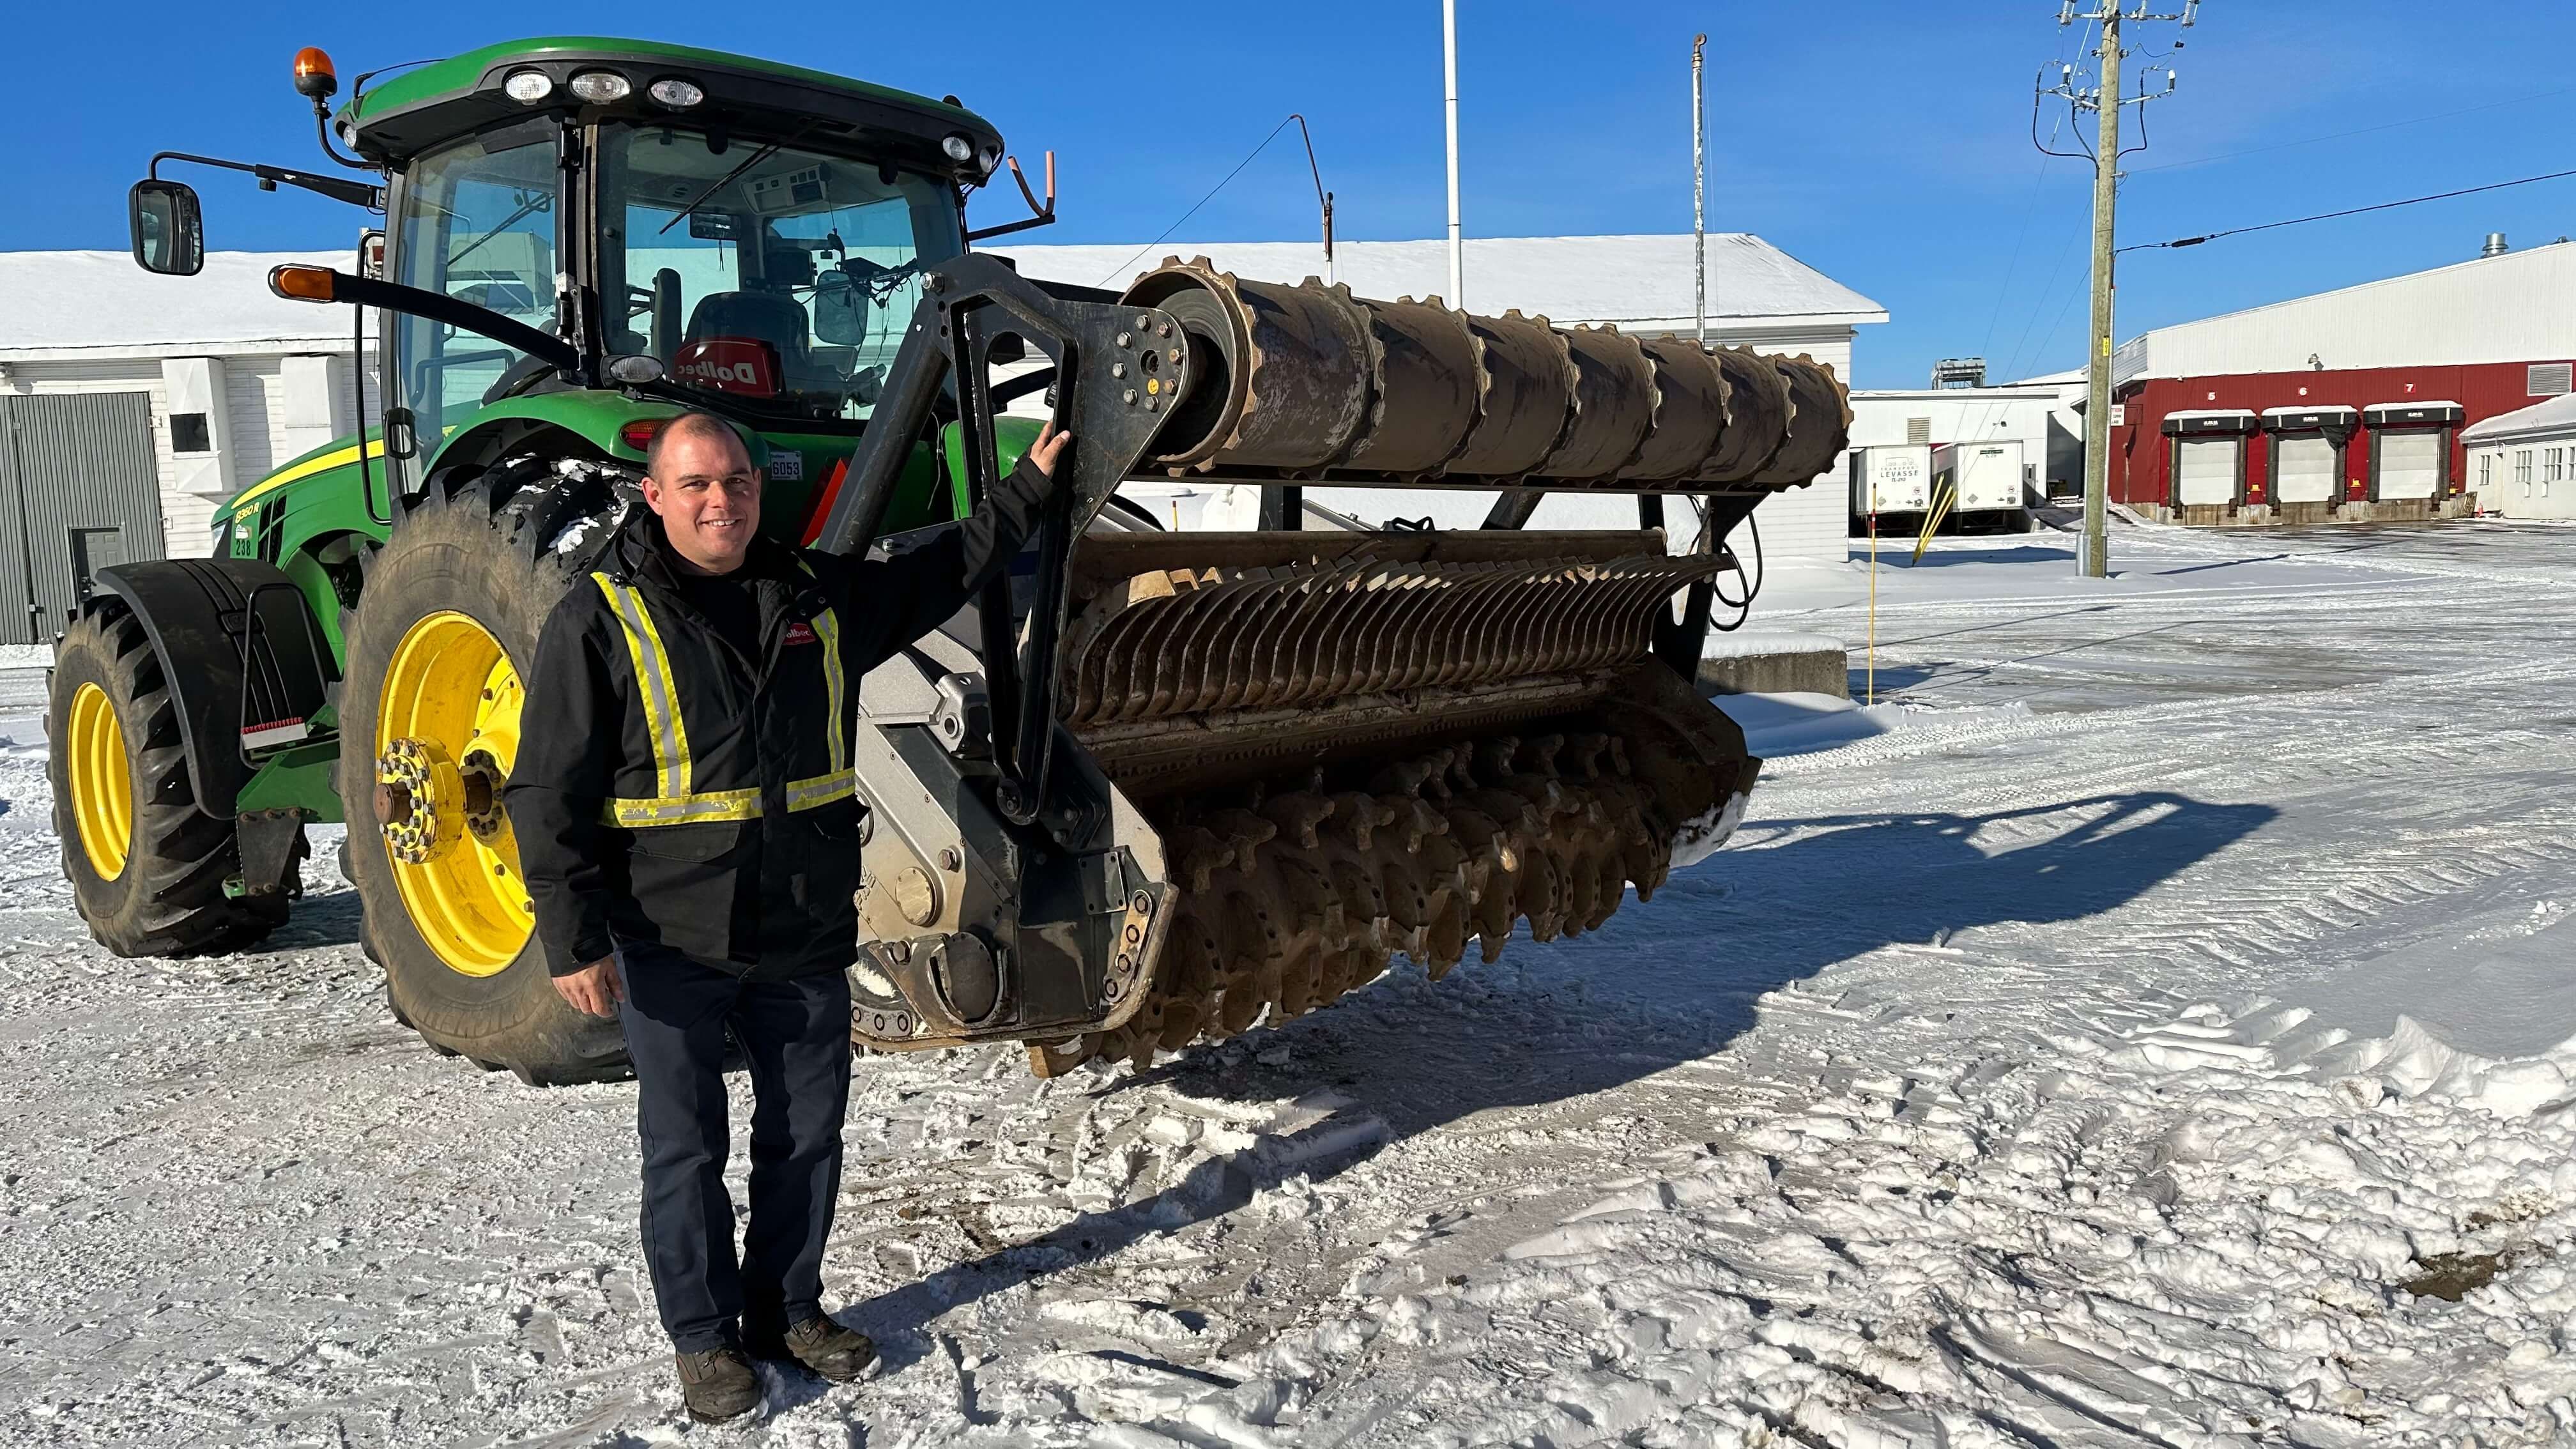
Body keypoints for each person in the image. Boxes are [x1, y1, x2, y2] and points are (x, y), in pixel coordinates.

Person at [507, 410, 1068, 1422]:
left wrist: (1026, 491)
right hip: (670, 936)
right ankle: (704, 1338)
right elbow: (547, 790)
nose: (720, 501)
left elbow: (941, 573)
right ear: (655, 495)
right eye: (696, 485)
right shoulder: (599, 617)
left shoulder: (818, 595)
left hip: (801, 928)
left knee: (807, 1137)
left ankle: (786, 1309)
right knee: (686, 1149)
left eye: (736, 481)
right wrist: (571, 937)